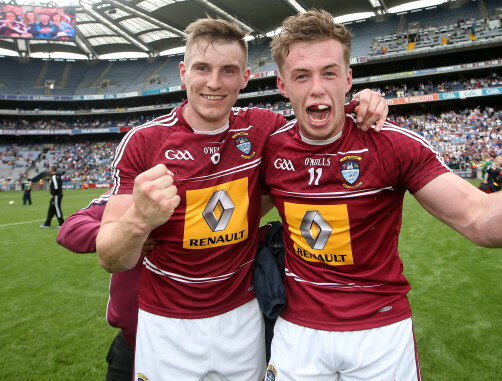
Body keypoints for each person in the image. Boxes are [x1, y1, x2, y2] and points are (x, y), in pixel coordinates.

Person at [261, 10, 502, 379]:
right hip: (297, 331)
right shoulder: (270, 149)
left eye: (329, 72)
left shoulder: (391, 143)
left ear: (348, 79)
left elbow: (481, 219)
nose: (317, 88)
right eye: (302, 75)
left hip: (379, 333)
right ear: (283, 86)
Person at [95, 16, 388, 380]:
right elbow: (111, 257)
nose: (214, 83)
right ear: (184, 73)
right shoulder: (144, 141)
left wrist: (361, 101)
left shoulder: (264, 128)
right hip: (166, 322)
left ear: (245, 77)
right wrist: (139, 219)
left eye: (228, 70)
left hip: (242, 316)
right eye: (202, 68)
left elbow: (319, 124)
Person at [56, 191, 147, 381]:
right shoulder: (130, 191)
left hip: (200, 337)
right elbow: (70, 228)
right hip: (133, 343)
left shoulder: (213, 187)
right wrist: (123, 235)